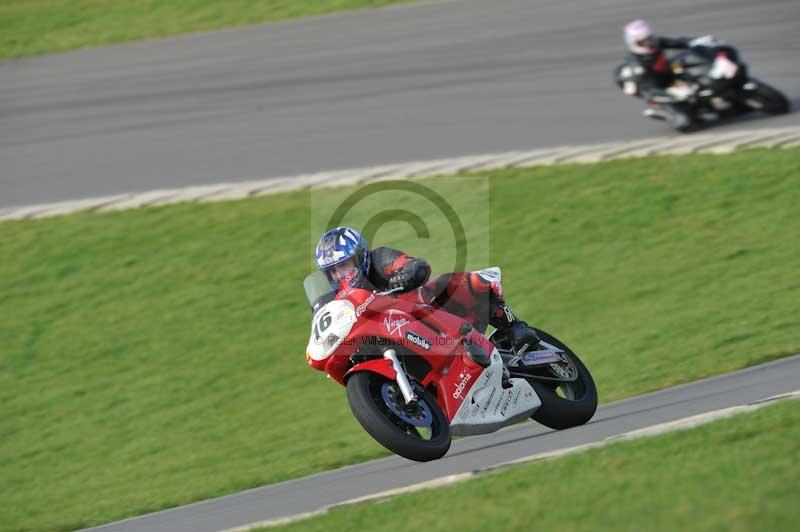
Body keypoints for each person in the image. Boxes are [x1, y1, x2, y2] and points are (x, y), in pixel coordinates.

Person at [315, 226, 539, 352]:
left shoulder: (379, 259)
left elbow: (416, 266)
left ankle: (514, 327)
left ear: (360, 256)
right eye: (333, 271)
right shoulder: (335, 300)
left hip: (425, 312)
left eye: (344, 265)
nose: (340, 275)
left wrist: (402, 276)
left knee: (454, 283)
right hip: (385, 339)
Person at [620, 20, 743, 125]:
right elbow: (648, 89)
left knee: (686, 63)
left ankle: (721, 94)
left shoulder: (656, 43)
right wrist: (672, 95)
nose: (648, 43)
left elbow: (679, 42)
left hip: (672, 75)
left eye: (649, 39)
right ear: (634, 43)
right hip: (659, 89)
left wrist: (698, 41)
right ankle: (666, 113)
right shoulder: (634, 63)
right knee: (686, 123)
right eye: (643, 42)